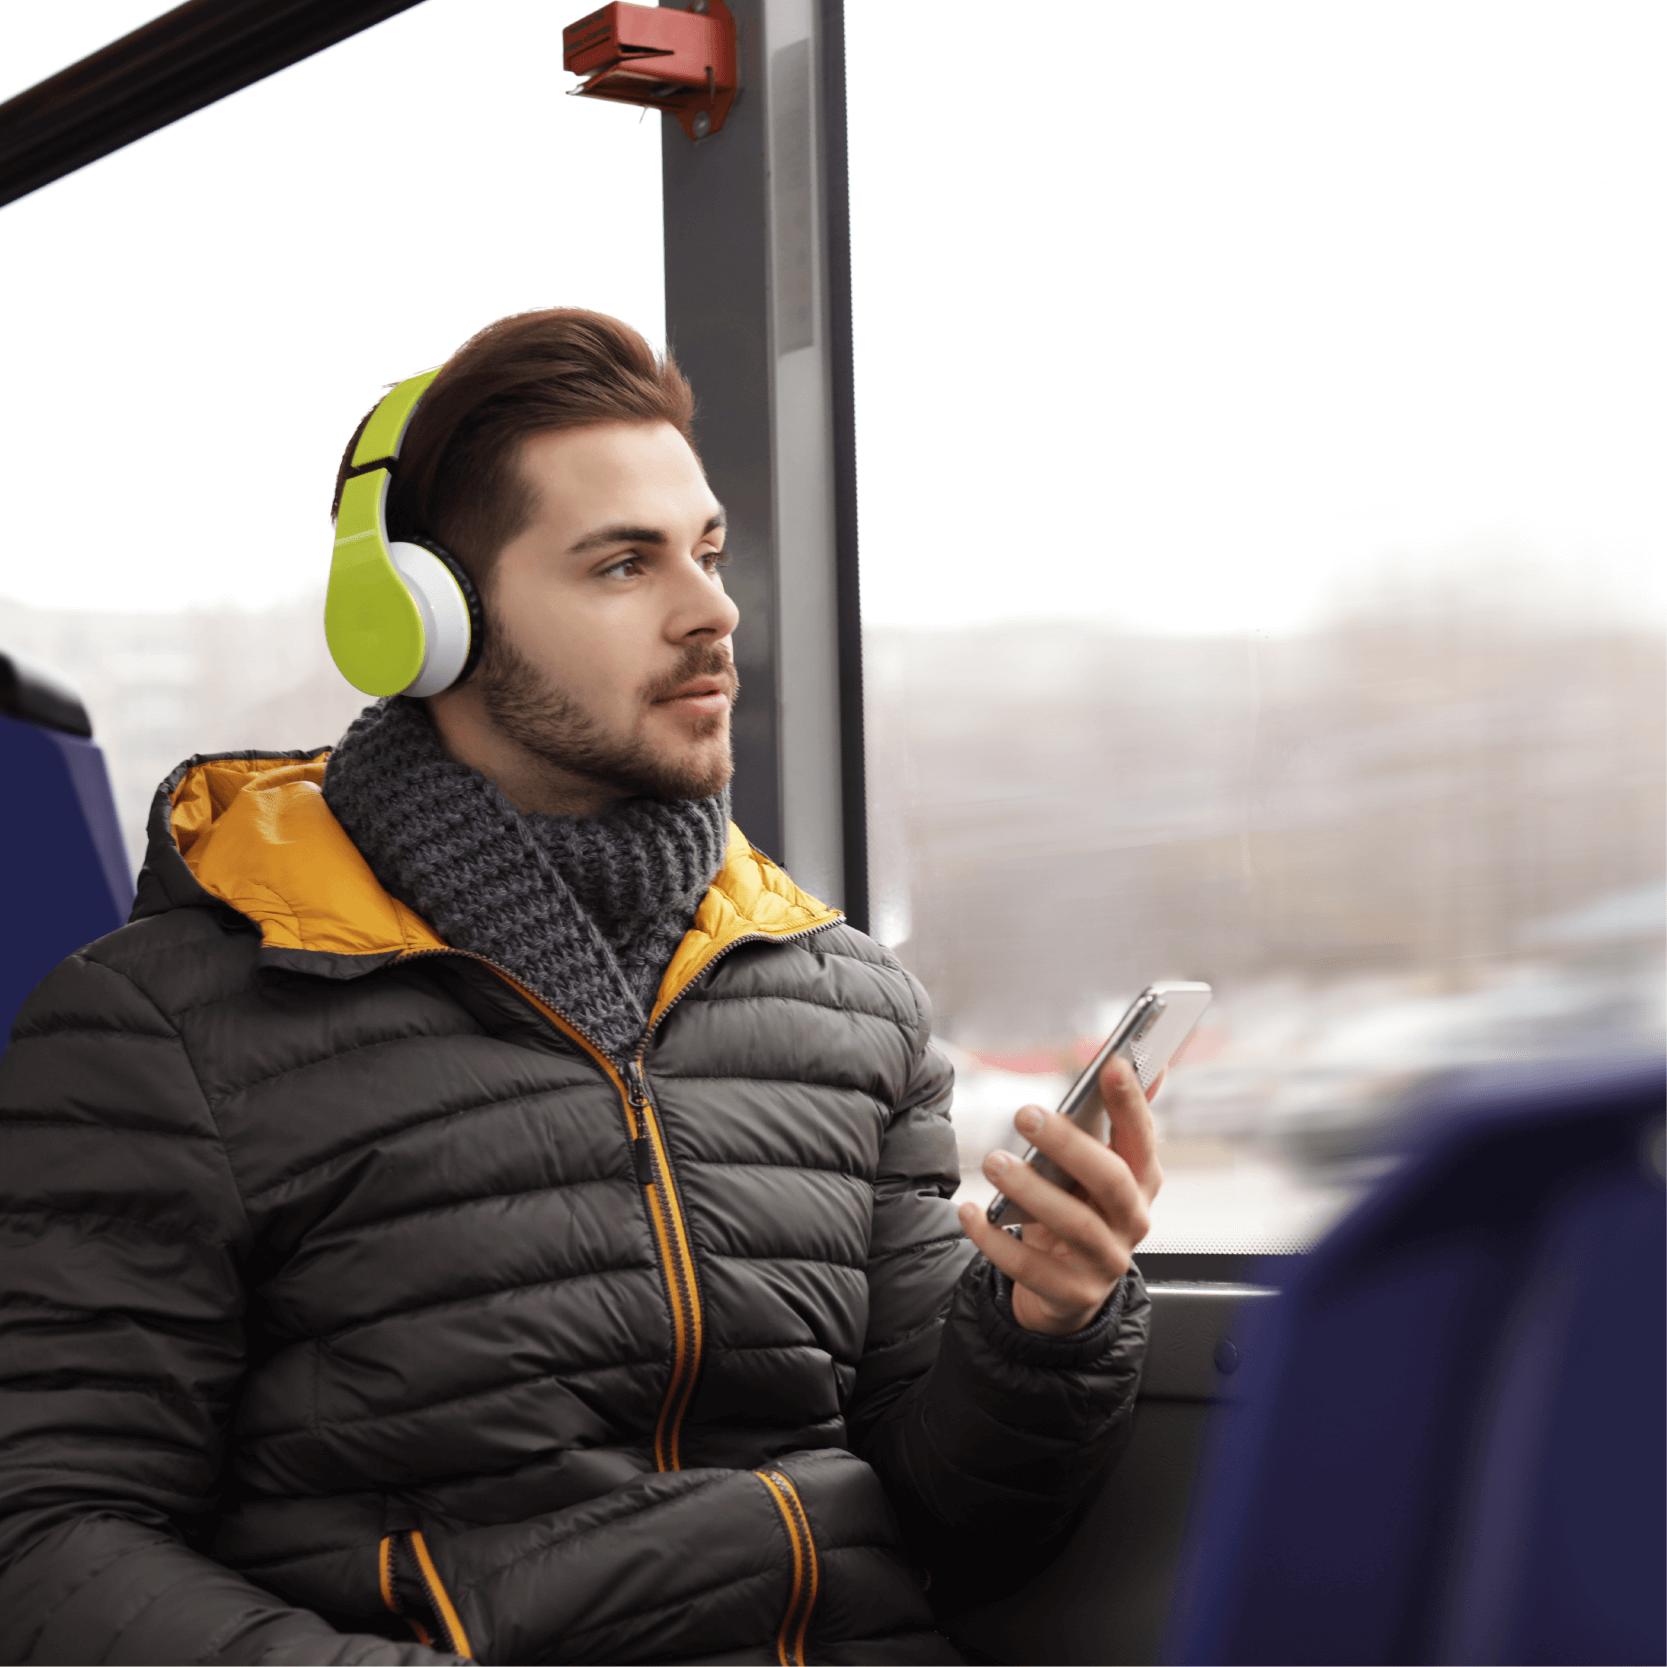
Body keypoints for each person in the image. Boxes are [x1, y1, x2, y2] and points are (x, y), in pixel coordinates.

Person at [0, 309, 1160, 1665]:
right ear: (426, 624)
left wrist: (1045, 1327)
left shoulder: (845, 1006)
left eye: (708, 553)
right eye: (622, 563)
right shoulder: (165, 1030)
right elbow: (49, 1536)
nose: (713, 610)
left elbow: (953, 1520)